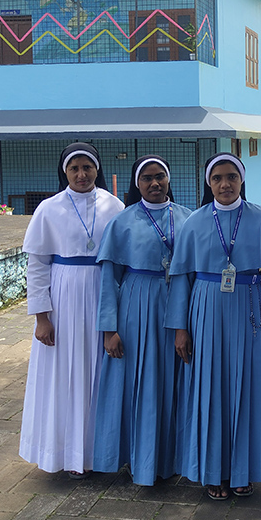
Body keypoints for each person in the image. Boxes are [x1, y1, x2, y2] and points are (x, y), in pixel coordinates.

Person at [164, 153, 261, 500]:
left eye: (231, 177)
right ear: (208, 182)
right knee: (209, 387)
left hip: (248, 307)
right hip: (205, 308)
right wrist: (180, 328)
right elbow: (181, 277)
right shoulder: (195, 222)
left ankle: (243, 470)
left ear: (241, 180)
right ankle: (213, 470)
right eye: (217, 178)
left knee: (247, 386)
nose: (224, 184)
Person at [19, 142, 125, 477]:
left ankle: (99, 452)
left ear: (97, 170)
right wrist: (41, 317)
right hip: (63, 299)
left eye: (87, 168)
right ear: (64, 172)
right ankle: (66, 454)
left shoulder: (115, 205)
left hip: (102, 293)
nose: (81, 174)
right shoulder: (48, 209)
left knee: (99, 374)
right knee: (66, 375)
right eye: (74, 168)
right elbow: (37, 265)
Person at [92, 155, 191, 485]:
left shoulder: (186, 218)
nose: (154, 183)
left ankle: (174, 459)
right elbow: (109, 278)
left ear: (168, 178)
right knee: (143, 385)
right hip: (137, 306)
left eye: (160, 176)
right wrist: (109, 330)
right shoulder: (123, 222)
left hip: (179, 301)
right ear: (137, 183)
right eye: (147, 178)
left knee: (176, 383)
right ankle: (142, 460)